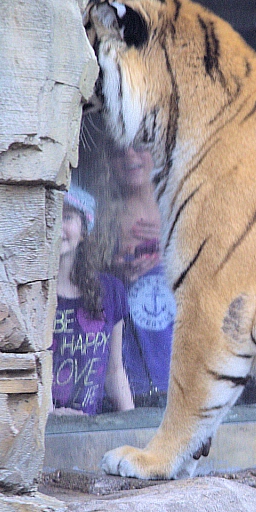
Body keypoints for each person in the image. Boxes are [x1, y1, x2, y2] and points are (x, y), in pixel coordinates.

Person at [92, 143, 175, 408]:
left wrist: (167, 248)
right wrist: (113, 270)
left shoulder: (178, 203)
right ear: (108, 163)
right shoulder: (101, 215)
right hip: (128, 355)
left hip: (174, 349)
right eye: (118, 151)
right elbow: (81, 272)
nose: (130, 156)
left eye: (140, 146)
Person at [50, 185, 134, 415]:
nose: (58, 225)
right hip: (45, 432)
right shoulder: (31, 294)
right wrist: (51, 414)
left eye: (67, 217)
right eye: (52, 214)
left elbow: (114, 371)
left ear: (84, 230)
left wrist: (134, 426)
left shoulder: (111, 291)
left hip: (89, 429)